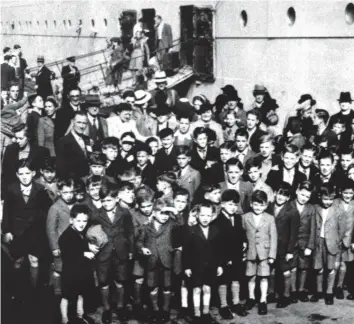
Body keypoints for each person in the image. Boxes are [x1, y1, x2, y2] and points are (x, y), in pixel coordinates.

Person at [2, 159, 52, 298]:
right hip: (17, 231)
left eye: (27, 173)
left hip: (35, 232)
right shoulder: (11, 189)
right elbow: (7, 212)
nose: (24, 176)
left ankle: (33, 291)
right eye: (21, 173)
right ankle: (16, 290)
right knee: (18, 260)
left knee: (34, 260)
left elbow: (46, 212)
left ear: (33, 173)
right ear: (17, 175)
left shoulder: (40, 189)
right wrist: (7, 231)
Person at [91, 181, 134, 323]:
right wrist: (91, 246)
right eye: (102, 201)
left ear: (117, 199)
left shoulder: (125, 213)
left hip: (121, 252)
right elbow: (90, 233)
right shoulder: (96, 215)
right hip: (103, 254)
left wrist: (131, 250)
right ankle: (107, 309)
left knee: (120, 281)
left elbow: (130, 232)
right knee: (104, 282)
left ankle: (120, 308)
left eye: (109, 200)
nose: (105, 203)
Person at [137, 197, 179, 323]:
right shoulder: (146, 226)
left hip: (167, 260)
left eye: (167, 213)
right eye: (161, 213)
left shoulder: (172, 224)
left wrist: (175, 212)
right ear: (153, 213)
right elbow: (138, 241)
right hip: (151, 261)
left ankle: (165, 310)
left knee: (167, 286)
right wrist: (142, 249)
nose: (165, 216)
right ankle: (155, 310)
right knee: (152, 287)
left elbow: (182, 226)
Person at [184, 201, 224, 324]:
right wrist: (187, 267)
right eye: (202, 215)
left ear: (212, 216)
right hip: (196, 266)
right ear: (197, 215)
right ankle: (197, 313)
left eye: (208, 215)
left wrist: (220, 265)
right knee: (196, 289)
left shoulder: (216, 230)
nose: (205, 218)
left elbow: (219, 250)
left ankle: (206, 312)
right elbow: (187, 251)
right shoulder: (192, 230)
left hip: (211, 266)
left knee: (207, 288)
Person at [309, 184, 349, 305]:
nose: (328, 202)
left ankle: (329, 292)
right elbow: (312, 227)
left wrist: (337, 241)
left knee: (331, 269)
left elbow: (342, 229)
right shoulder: (315, 208)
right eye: (325, 199)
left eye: (331, 199)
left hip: (332, 243)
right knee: (319, 268)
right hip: (318, 242)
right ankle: (319, 291)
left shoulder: (338, 210)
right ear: (320, 197)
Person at [58, 204, 96, 324]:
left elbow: (81, 244)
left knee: (81, 294)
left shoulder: (81, 233)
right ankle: (64, 319)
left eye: (84, 221)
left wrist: (89, 246)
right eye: (78, 220)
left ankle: (80, 316)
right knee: (66, 297)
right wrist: (84, 254)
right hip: (70, 273)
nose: (82, 223)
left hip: (81, 272)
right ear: (71, 220)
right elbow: (68, 254)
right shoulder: (66, 236)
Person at [214, 190, 248, 319]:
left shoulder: (238, 218)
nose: (233, 208)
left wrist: (244, 241)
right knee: (223, 281)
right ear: (222, 204)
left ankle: (236, 303)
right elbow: (217, 243)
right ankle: (223, 305)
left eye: (235, 205)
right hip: (223, 257)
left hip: (237, 255)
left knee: (236, 279)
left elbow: (241, 233)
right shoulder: (218, 221)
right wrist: (223, 260)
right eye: (230, 204)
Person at [242, 190, 277, 315]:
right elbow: (242, 235)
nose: (258, 207)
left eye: (261, 205)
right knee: (251, 276)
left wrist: (272, 255)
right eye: (256, 204)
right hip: (250, 252)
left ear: (266, 205)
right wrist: (243, 249)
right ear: (251, 204)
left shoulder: (270, 218)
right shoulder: (245, 217)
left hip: (264, 253)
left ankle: (263, 300)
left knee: (263, 277)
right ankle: (251, 298)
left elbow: (273, 237)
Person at [266, 182, 300, 308]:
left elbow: (293, 234)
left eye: (285, 195)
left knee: (285, 271)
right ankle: (271, 293)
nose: (281, 197)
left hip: (284, 247)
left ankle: (286, 296)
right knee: (271, 270)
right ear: (275, 193)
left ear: (288, 198)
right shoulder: (268, 207)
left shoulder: (292, 211)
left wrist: (290, 251)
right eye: (279, 193)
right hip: (270, 246)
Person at [46, 178, 75, 297]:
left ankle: (69, 293)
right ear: (59, 192)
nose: (69, 195)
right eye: (65, 192)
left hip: (73, 244)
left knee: (71, 269)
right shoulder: (55, 208)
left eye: (71, 192)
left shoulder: (76, 205)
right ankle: (57, 292)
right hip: (60, 244)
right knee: (59, 268)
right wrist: (54, 246)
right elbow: (50, 229)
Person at [2, 123, 50, 189]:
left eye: (20, 138)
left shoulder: (41, 152)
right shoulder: (10, 150)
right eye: (16, 138)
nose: (17, 141)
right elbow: (5, 175)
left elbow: (44, 175)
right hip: (13, 191)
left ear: (28, 137)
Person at [332, 179, 354, 300]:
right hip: (335, 239)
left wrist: (353, 241)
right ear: (340, 192)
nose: (348, 196)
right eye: (346, 193)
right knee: (334, 264)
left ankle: (340, 287)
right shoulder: (335, 203)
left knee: (343, 265)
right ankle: (332, 287)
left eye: (351, 193)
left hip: (348, 240)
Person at [56, 111, 90, 178]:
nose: (82, 126)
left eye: (84, 123)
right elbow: (62, 168)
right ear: (73, 122)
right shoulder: (63, 142)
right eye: (79, 122)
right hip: (74, 181)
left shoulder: (87, 139)